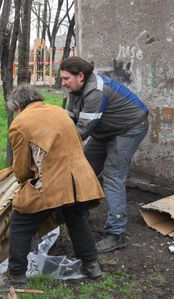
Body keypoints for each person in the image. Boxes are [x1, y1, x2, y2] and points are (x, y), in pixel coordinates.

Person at [0, 84, 105, 289]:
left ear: (18, 106)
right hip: (81, 181)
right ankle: (92, 265)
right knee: (76, 219)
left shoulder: (20, 123)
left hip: (50, 183)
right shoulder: (59, 112)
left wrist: (23, 184)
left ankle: (17, 276)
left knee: (20, 223)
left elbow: (21, 168)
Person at [60, 56, 149, 253]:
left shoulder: (95, 92)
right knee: (83, 168)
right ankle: (80, 215)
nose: (63, 82)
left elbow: (81, 131)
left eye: (66, 78)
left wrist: (55, 148)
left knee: (112, 176)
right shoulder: (75, 90)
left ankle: (116, 234)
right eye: (63, 78)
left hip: (129, 128)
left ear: (80, 76)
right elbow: (70, 120)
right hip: (105, 130)